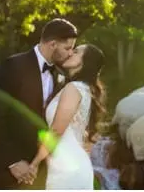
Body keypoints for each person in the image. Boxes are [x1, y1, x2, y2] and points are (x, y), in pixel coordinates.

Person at [0, 18, 78, 189]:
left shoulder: (61, 76)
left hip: (39, 173)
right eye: (67, 48)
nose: (70, 53)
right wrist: (13, 162)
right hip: (6, 171)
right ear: (53, 44)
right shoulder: (12, 66)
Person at [28, 43, 106, 190]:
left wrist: (35, 163)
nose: (70, 53)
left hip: (68, 172)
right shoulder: (79, 88)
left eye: (76, 52)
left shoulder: (74, 88)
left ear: (85, 62)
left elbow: (57, 131)